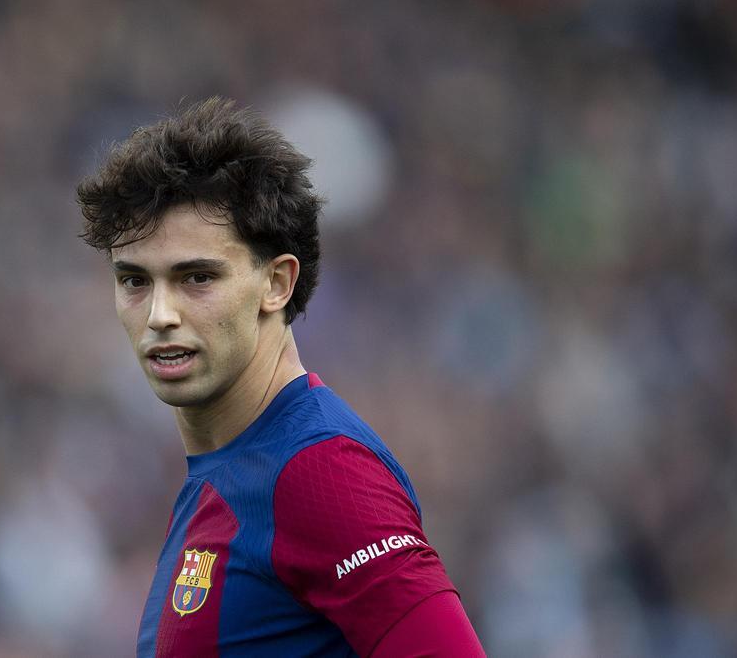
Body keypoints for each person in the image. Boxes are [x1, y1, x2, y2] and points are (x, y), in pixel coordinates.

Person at [77, 97, 485, 657]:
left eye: (196, 277)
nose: (159, 314)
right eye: (134, 281)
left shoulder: (318, 471)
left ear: (276, 284)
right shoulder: (226, 471)